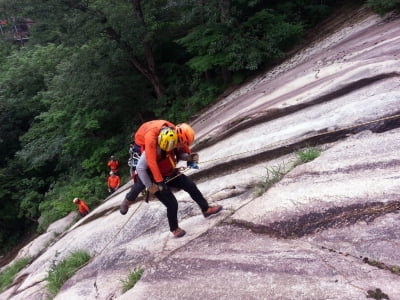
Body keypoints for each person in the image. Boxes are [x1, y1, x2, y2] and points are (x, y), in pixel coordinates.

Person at [122, 124, 223, 238]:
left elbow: (179, 154)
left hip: (170, 173)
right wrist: (151, 186)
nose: (181, 145)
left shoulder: (173, 139)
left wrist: (189, 157)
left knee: (190, 185)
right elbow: (140, 168)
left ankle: (206, 209)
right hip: (156, 179)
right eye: (181, 143)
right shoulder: (155, 147)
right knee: (172, 204)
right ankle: (174, 228)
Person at [120, 122, 194, 214]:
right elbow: (149, 163)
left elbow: (184, 144)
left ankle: (171, 183)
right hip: (141, 142)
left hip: (157, 135)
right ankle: (128, 200)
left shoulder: (173, 131)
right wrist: (154, 184)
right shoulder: (152, 140)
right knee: (142, 180)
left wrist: (189, 157)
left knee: (168, 156)